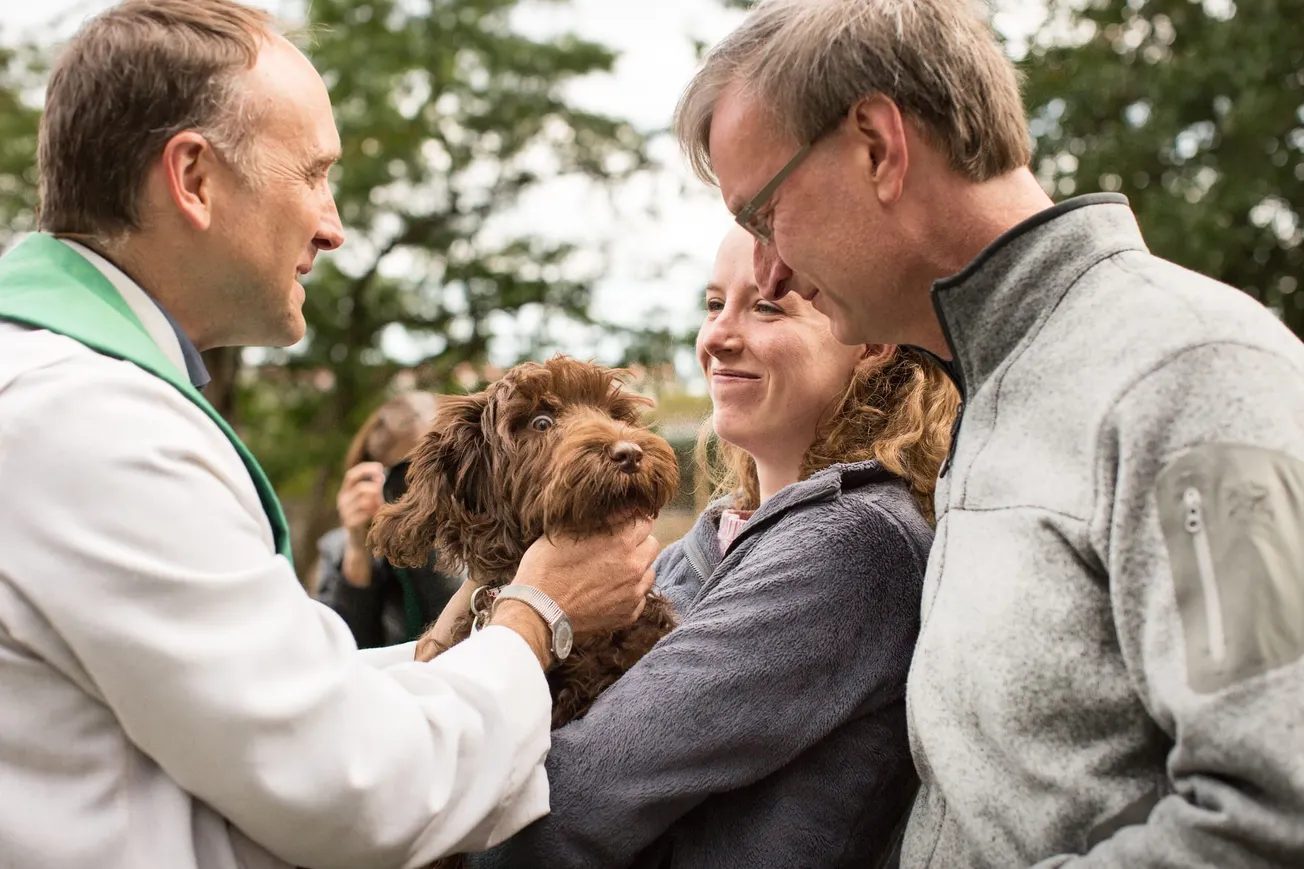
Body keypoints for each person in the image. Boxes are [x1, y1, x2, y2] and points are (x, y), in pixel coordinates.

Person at [0, 2, 658, 868]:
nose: (333, 225)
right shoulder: (95, 424)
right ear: (193, 178)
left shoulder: (53, 391)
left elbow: (271, 698)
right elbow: (357, 788)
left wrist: (459, 637)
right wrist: (539, 616)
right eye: (313, 174)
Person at [674, 0, 1304, 866]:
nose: (769, 268)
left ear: (877, 146)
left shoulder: (1193, 375)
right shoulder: (993, 387)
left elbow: (1277, 814)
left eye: (764, 214)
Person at [461, 225, 957, 869]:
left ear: (872, 342)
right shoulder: (692, 549)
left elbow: (571, 804)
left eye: (767, 307)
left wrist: (421, 825)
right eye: (714, 304)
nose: (717, 336)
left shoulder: (853, 546)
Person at [316, 391, 464, 648]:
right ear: (375, 479)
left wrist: (428, 539)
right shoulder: (337, 549)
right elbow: (342, 652)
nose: (421, 490)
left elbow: (463, 636)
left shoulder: (483, 541)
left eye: (431, 469)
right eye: (405, 475)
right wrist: (358, 551)